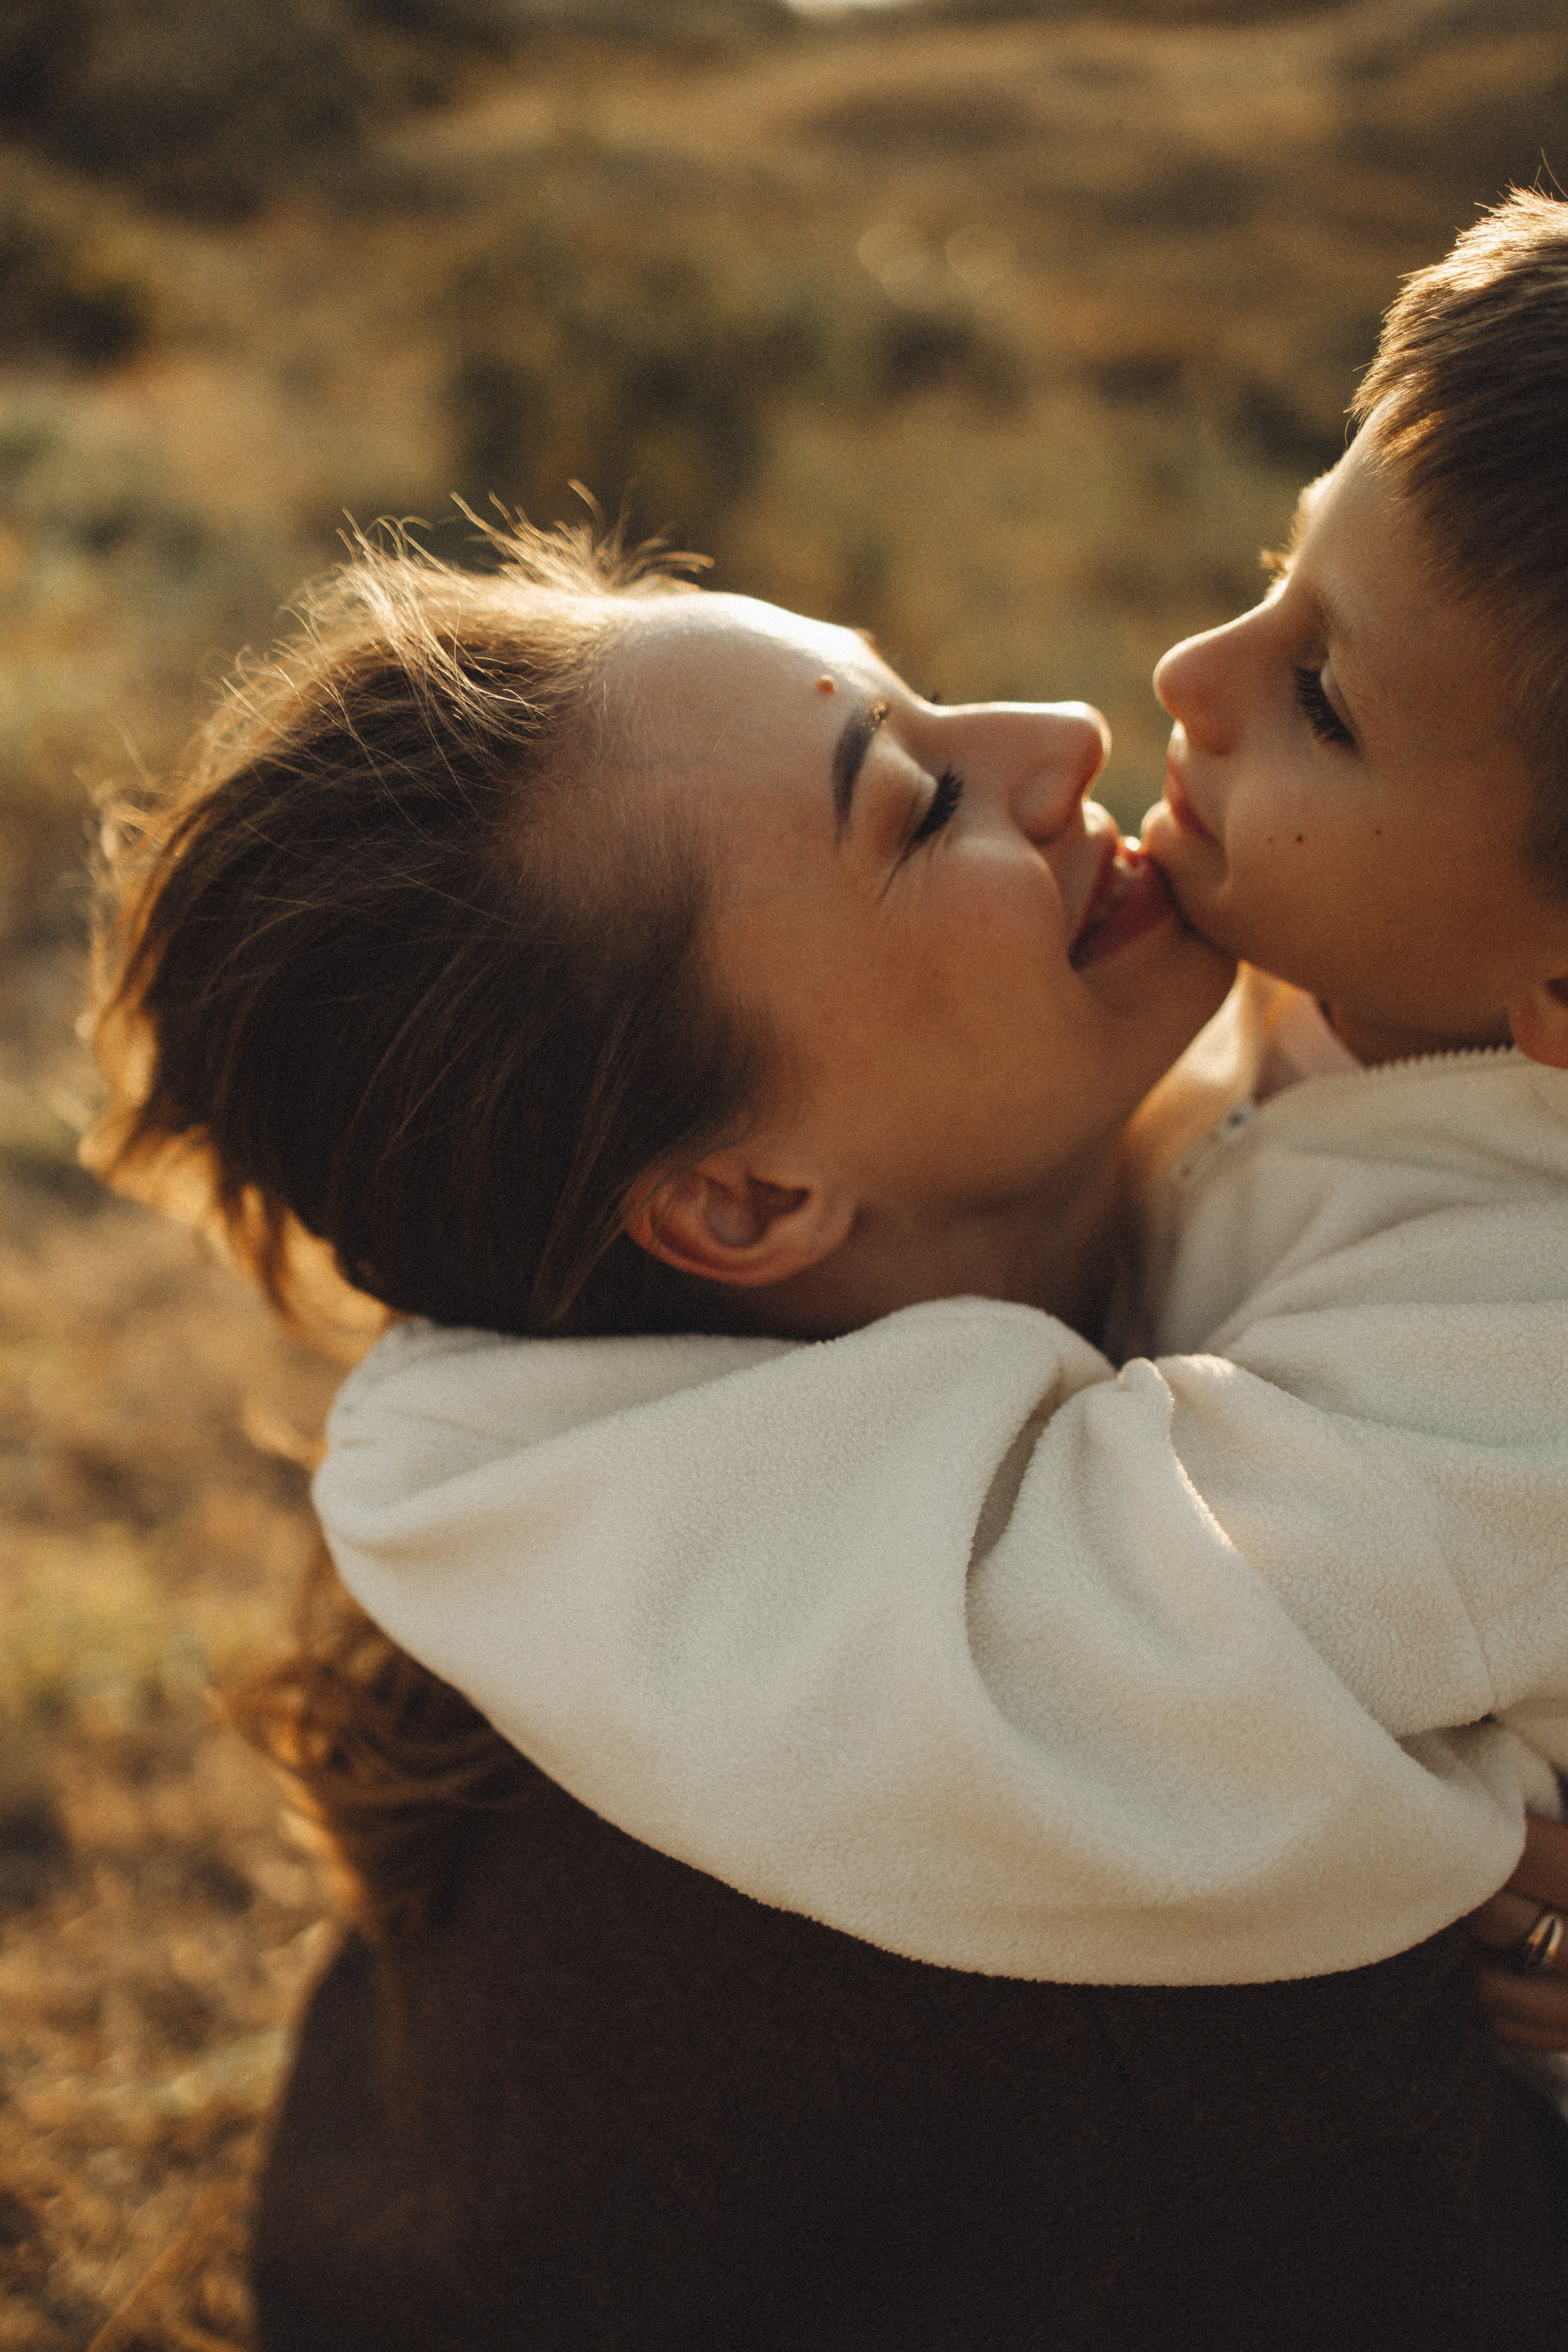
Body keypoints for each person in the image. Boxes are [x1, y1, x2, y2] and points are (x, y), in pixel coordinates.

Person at [86, 195, 1568, 2345]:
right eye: (903, 802)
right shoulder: (1087, 1963)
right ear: (746, 1200)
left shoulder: (636, 1563)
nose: (1074, 725)